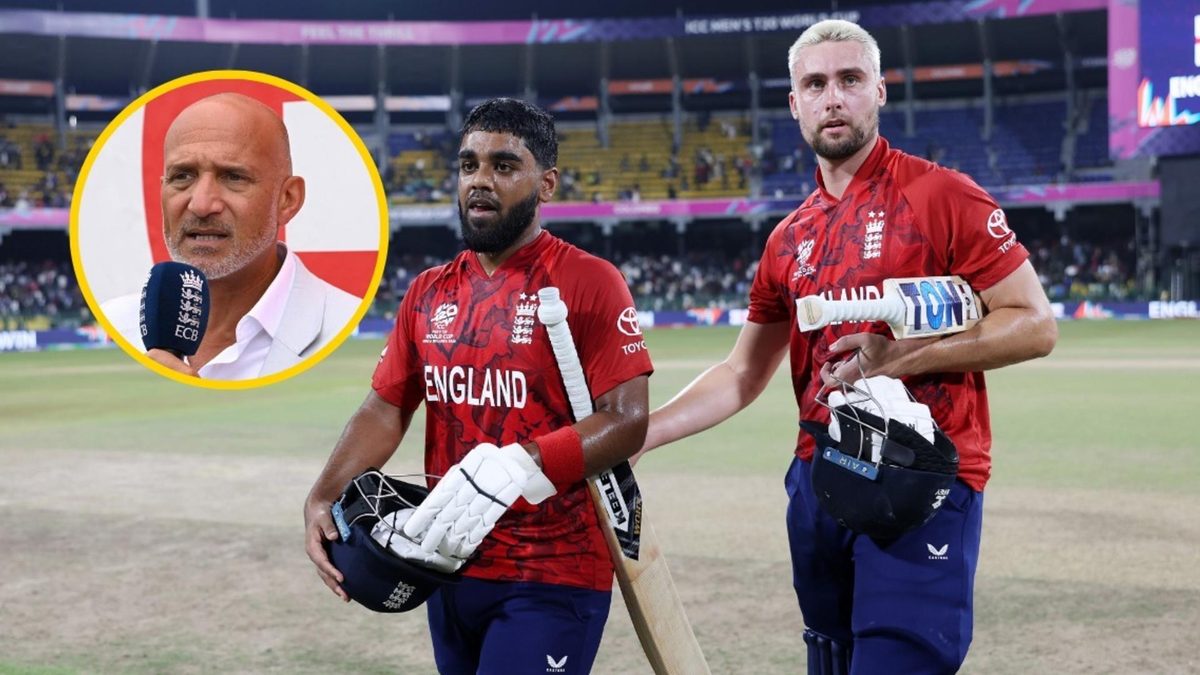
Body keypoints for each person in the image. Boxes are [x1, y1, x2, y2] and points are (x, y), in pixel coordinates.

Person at [635, 19, 1057, 674]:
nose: (833, 97)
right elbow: (743, 373)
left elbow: (1034, 322)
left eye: (850, 79)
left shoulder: (944, 196)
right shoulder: (787, 237)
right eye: (816, 83)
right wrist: (637, 434)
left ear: (880, 92)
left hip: (922, 472)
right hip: (821, 475)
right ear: (794, 103)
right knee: (831, 659)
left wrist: (904, 357)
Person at [304, 98, 653, 674]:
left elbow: (626, 420)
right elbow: (386, 406)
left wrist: (522, 463)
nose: (480, 182)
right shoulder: (427, 291)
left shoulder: (590, 281)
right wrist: (322, 494)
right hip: (444, 560)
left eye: (503, 166)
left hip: (552, 569)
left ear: (547, 184)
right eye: (469, 166)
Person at [100, 92, 360, 380]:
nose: (201, 204)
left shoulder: (342, 324)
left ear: (287, 199)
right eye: (182, 176)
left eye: (233, 177)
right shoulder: (115, 323)